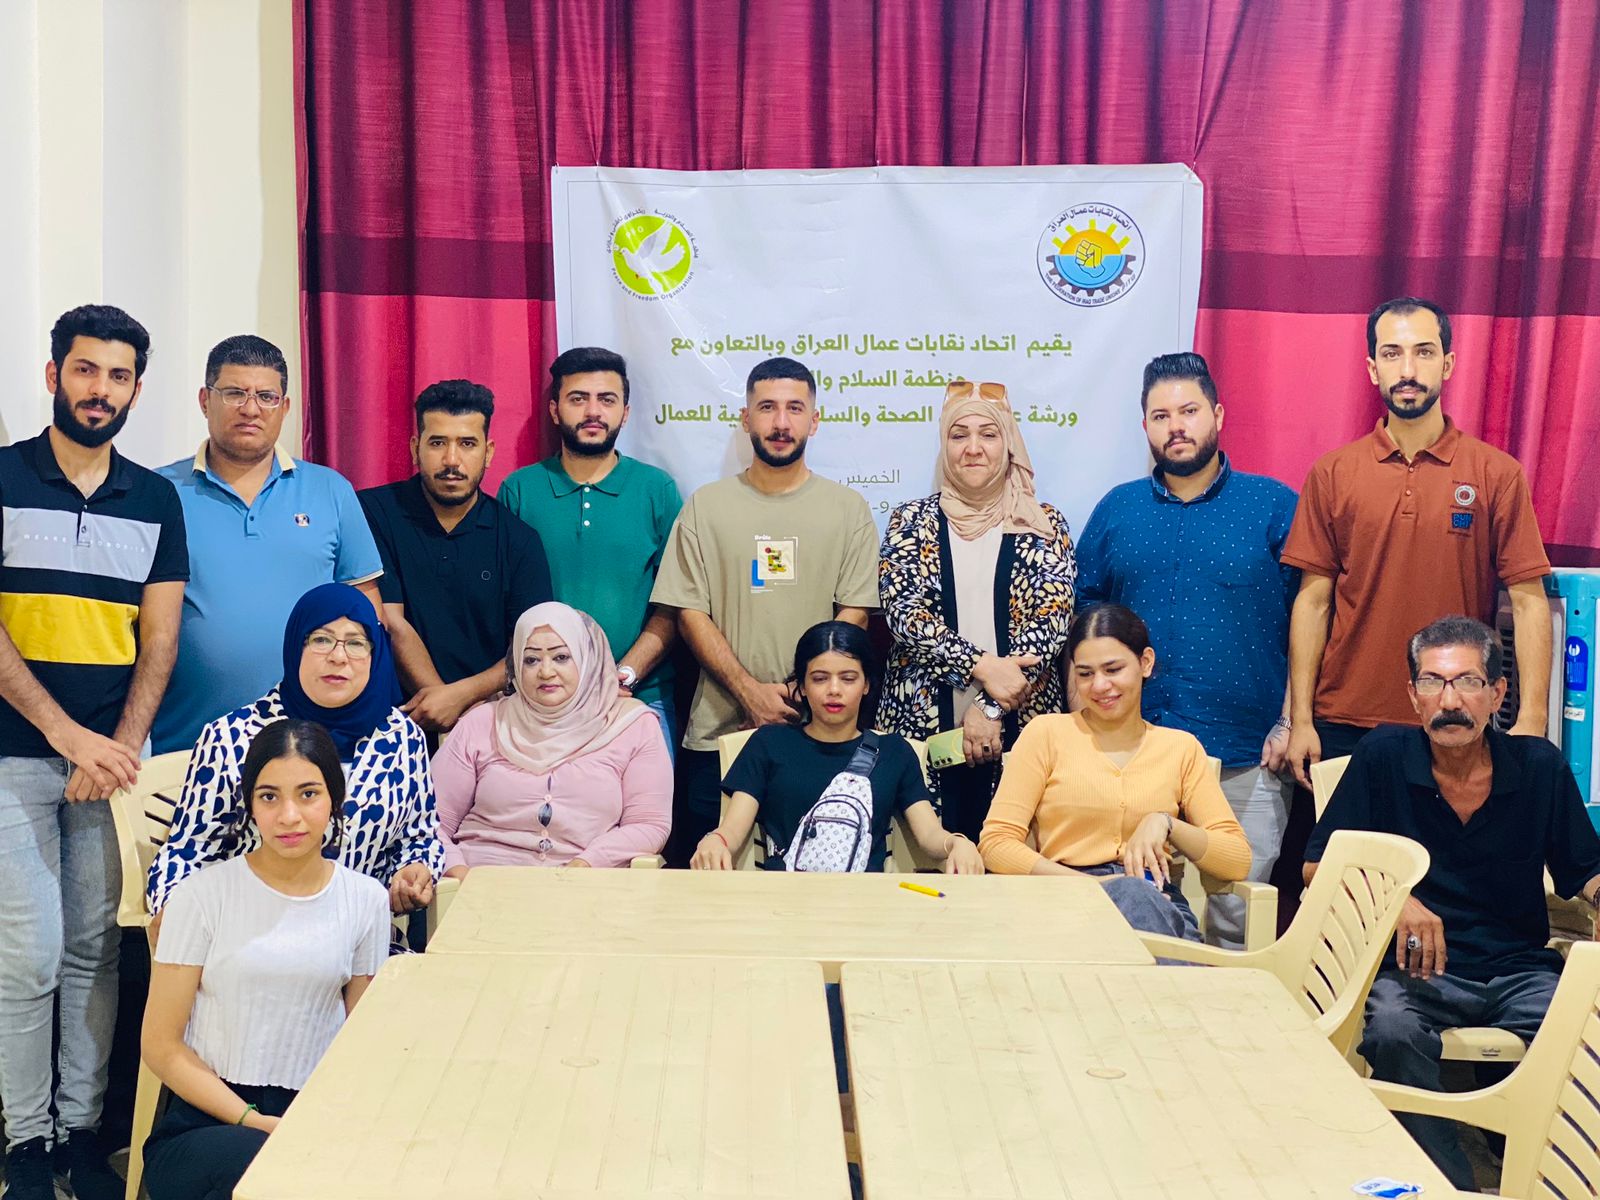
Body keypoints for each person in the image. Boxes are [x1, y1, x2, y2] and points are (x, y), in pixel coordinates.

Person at [1304, 616, 1600, 1189]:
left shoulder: (1538, 767)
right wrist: (1397, 896)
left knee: (1584, 1034)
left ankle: (1534, 1166)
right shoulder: (1383, 756)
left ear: (1497, 693)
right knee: (1391, 1030)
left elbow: (1585, 869)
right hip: (1417, 972)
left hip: (1520, 970)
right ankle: (1445, 1183)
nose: (1449, 701)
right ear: (1413, 695)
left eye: (1467, 682)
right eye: (1432, 683)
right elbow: (1318, 867)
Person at [0, 305, 188, 1200]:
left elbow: (160, 641)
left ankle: (79, 1134)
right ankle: (24, 1142)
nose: (99, 390)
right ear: (53, 376)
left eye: (118, 377)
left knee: (93, 953)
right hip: (14, 757)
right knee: (30, 957)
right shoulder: (3, 477)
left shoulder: (154, 500)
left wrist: (116, 749)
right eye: (85, 371)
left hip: (109, 769)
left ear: (136, 391)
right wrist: (66, 735)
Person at [1282, 298, 1552, 791]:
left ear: (1447, 364)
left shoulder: (1497, 473)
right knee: (1340, 846)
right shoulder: (1332, 473)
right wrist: (1300, 720)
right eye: (1392, 354)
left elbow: (1529, 602)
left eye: (1424, 352)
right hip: (1343, 722)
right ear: (1372, 368)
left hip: (1456, 716)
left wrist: (1531, 720)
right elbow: (1313, 602)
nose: (1408, 370)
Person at [1076, 352, 1298, 948]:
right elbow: (1084, 619)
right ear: (1145, 427)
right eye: (1161, 416)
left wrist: (1291, 720)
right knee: (1136, 915)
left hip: (1247, 754)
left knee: (1236, 921)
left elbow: (1311, 623)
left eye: (1190, 411)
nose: (1176, 426)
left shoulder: (1273, 506)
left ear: (1218, 415)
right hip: (1132, 757)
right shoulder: (1117, 509)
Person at [140, 719, 391, 1200]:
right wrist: (254, 1121)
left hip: (312, 1113)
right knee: (268, 1168)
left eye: (308, 794)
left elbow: (361, 1041)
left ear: (334, 799)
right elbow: (160, 1045)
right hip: (208, 1122)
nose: (289, 816)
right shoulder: (200, 897)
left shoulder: (366, 901)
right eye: (269, 797)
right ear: (251, 806)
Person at [652, 357, 880, 864]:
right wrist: (749, 692)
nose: (781, 422)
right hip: (719, 735)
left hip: (817, 736)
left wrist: (803, 691)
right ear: (745, 418)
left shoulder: (848, 510)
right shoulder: (705, 506)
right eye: (767, 408)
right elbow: (689, 612)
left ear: (814, 421)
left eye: (795, 409)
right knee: (712, 882)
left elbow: (856, 612)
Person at [147, 584, 443, 923]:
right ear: (294, 646)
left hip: (360, 939)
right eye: (321, 639)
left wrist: (414, 869)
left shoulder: (401, 737)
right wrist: (179, 919)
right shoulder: (233, 737)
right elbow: (188, 853)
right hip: (248, 934)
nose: (339, 657)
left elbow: (420, 837)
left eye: (356, 643)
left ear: (375, 654)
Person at [153, 334, 385, 754]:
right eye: (234, 393)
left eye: (266, 396)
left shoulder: (331, 490)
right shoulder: (159, 492)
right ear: (205, 400)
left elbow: (367, 614)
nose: (251, 409)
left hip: (312, 747)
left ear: (285, 407)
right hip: (187, 746)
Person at [877, 380, 1075, 843]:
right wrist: (981, 665)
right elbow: (904, 614)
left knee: (1016, 859)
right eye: (958, 434)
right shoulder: (911, 521)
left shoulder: (1041, 523)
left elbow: (1050, 626)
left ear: (1009, 444)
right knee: (924, 864)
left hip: (1022, 727)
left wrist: (989, 707)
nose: (973, 448)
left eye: (988, 434)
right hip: (920, 729)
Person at [979, 604, 1251, 939]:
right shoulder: (1046, 734)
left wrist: (1166, 824)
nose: (1099, 686)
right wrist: (1097, 886)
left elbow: (1236, 860)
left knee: (1142, 903)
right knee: (1136, 903)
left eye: (1113, 669)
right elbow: (996, 844)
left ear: (1145, 662)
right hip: (1066, 898)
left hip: (1158, 899)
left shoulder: (1180, 748)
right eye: (1085, 674)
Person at [690, 620, 984, 875]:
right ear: (802, 686)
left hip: (863, 904)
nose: (834, 690)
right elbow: (733, 829)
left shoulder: (894, 751)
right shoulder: (769, 743)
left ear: (866, 684)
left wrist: (956, 842)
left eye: (848, 678)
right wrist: (715, 841)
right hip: (783, 900)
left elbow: (929, 835)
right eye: (820, 679)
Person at [499, 348, 682, 746]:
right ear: (555, 410)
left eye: (607, 400)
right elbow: (503, 604)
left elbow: (674, 606)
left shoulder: (657, 490)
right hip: (539, 703)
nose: (593, 411)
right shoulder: (519, 490)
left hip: (637, 698)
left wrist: (622, 676)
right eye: (578, 398)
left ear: (625, 413)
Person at [359, 380, 551, 735]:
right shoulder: (373, 512)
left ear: (488, 452)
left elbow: (529, 646)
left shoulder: (519, 541)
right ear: (415, 448)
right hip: (390, 724)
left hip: (489, 724)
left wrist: (461, 701)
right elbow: (390, 621)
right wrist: (443, 705)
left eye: (467, 444)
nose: (451, 460)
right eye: (437, 443)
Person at [433, 602, 671, 873]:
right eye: (531, 660)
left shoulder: (633, 725)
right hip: (480, 880)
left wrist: (588, 864)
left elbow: (648, 824)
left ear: (587, 658)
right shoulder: (482, 722)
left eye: (561, 657)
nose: (546, 672)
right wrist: (458, 874)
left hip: (587, 884)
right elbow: (430, 822)